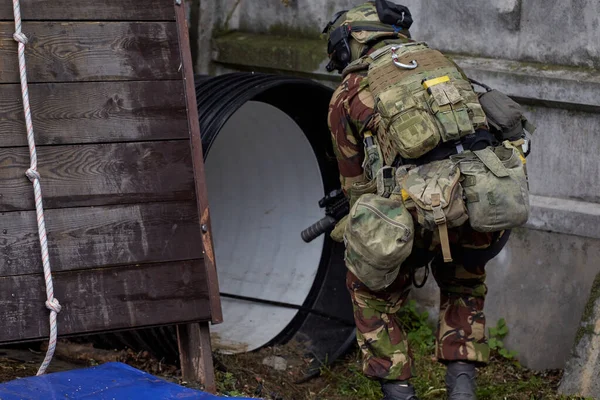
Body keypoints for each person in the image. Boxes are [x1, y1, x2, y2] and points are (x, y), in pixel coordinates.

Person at [322, 1, 532, 399]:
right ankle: (462, 388)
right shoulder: (440, 62)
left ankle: (399, 390)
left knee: (370, 292)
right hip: (478, 196)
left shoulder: (348, 92)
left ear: (354, 39)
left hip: (414, 208)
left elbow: (356, 188)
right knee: (464, 283)